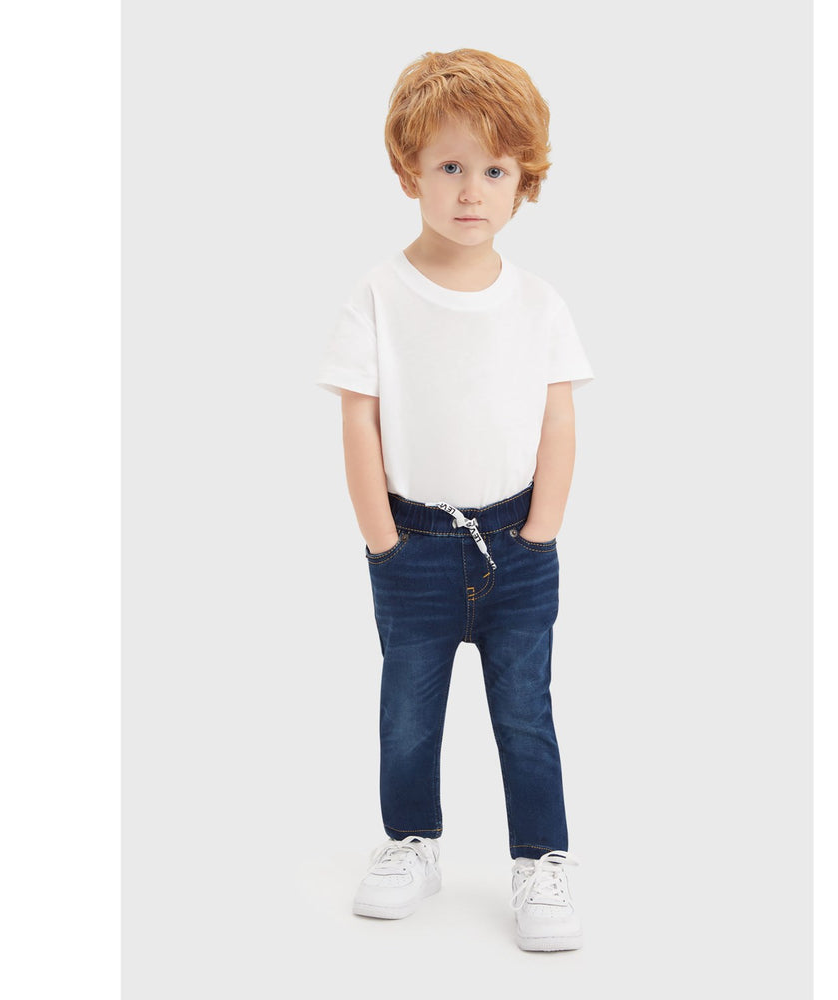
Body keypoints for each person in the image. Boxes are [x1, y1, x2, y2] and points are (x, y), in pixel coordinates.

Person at [315, 48, 594, 952]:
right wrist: (383, 542)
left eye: (495, 170)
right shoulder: (378, 295)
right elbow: (359, 420)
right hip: (415, 548)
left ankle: (541, 859)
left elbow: (558, 417)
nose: (472, 191)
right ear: (410, 172)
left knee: (526, 714)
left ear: (524, 180)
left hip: (519, 545)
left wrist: (543, 531)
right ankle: (411, 842)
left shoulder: (539, 303)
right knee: (407, 713)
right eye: (449, 167)